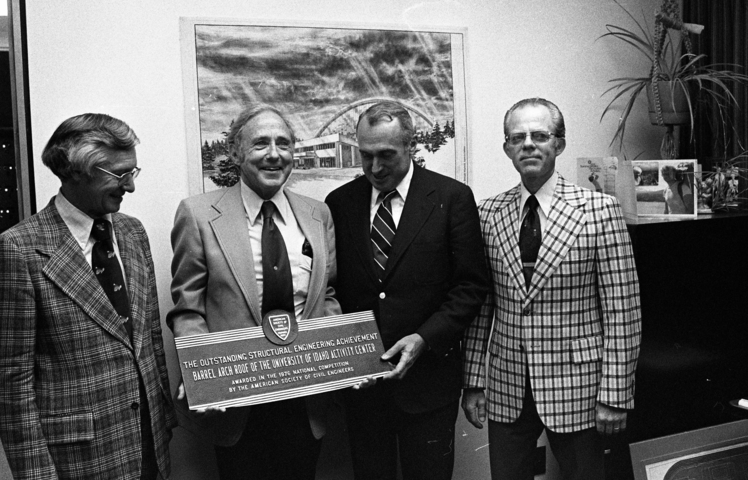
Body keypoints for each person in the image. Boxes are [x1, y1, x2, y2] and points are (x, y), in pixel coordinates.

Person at [0, 113, 177, 479]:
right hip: (78, 458)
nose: (131, 187)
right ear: (75, 171)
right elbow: (11, 382)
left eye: (133, 172)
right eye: (120, 175)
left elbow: (149, 337)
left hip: (150, 444)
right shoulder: (18, 249)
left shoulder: (132, 233)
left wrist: (164, 418)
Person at [462, 98, 642, 480]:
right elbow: (482, 306)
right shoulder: (488, 213)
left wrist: (615, 394)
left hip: (581, 387)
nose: (528, 144)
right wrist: (473, 381)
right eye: (517, 137)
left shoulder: (600, 210)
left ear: (558, 144)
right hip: (509, 385)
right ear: (507, 147)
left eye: (539, 135)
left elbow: (623, 312)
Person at [167, 104, 341, 480]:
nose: (274, 154)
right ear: (235, 152)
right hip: (235, 401)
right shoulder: (198, 214)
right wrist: (203, 375)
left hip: (305, 397)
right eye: (260, 143)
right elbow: (188, 310)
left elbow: (327, 295)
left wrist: (341, 355)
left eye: (284, 143)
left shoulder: (317, 214)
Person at [325, 101, 488, 480]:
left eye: (386, 155)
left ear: (411, 146)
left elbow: (471, 285)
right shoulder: (340, 203)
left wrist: (424, 338)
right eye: (366, 156)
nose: (375, 168)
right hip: (363, 389)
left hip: (429, 386)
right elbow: (332, 287)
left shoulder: (452, 198)